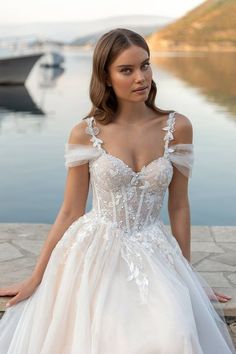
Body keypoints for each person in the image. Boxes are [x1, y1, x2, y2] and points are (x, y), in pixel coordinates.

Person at [0, 28, 235, 354]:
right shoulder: (86, 133)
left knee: (175, 334)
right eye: (127, 70)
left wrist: (188, 275)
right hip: (94, 251)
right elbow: (70, 211)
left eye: (146, 65)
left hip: (154, 248)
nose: (141, 78)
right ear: (106, 77)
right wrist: (35, 277)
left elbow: (179, 206)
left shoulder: (177, 127)